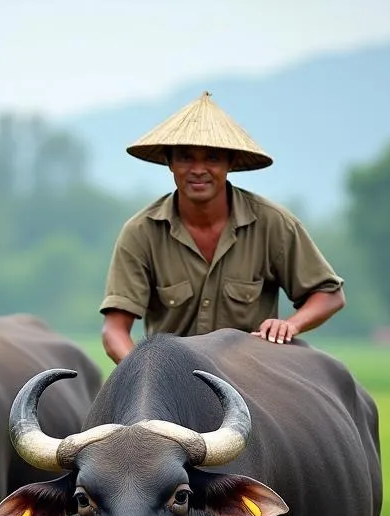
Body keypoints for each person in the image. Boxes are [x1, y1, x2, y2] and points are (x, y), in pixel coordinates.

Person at [100, 91, 346, 364]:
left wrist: (292, 324)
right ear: (170, 163)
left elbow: (329, 294)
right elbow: (114, 331)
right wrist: (145, 374)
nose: (198, 169)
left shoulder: (272, 223)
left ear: (231, 163)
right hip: (172, 375)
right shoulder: (141, 232)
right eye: (185, 158)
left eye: (212, 158)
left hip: (253, 368)